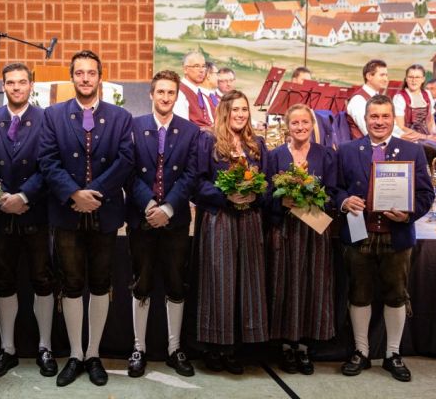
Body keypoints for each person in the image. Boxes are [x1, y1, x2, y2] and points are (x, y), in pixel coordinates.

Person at [38, 50, 134, 387]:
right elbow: (47, 160)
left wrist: (94, 193)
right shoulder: (53, 115)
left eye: (91, 73)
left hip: (104, 212)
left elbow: (125, 161)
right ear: (72, 77)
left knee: (101, 284)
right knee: (72, 283)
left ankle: (94, 354)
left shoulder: (120, 117)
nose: (85, 78)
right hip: (67, 212)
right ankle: (76, 354)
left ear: (100, 77)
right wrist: (73, 194)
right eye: (79, 73)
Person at [335, 95, 434, 382]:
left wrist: (408, 214)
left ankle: (393, 354)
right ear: (365, 119)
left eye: (385, 116)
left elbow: (426, 194)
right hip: (358, 232)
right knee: (359, 293)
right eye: (374, 116)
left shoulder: (413, 150)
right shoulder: (347, 150)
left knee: (396, 295)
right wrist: (344, 201)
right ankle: (361, 352)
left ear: (393, 118)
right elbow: (334, 188)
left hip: (397, 235)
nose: (379, 122)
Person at [0, 63, 57, 379]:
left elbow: (50, 164)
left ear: (31, 85)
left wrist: (23, 196)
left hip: (35, 211)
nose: (16, 87)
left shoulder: (47, 118)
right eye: (11, 82)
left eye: (22, 82)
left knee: (43, 279)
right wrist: (0, 197)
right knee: (4, 280)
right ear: (3, 86)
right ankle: (7, 349)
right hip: (1, 214)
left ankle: (45, 347)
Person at [126, 70, 199, 378]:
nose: (166, 97)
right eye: (161, 92)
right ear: (151, 94)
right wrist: (149, 205)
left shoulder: (190, 131)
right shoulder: (133, 126)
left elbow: (191, 175)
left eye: (171, 92)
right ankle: (138, 348)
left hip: (175, 219)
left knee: (176, 284)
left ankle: (174, 349)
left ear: (177, 96)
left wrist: (167, 208)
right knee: (141, 283)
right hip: (142, 217)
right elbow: (128, 171)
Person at [195, 90, 269, 374]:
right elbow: (198, 183)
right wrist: (225, 195)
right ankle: (216, 347)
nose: (240, 114)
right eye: (235, 109)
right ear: (225, 111)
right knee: (220, 281)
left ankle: (238, 347)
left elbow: (268, 183)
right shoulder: (209, 141)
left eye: (244, 109)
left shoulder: (256, 144)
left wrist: (255, 194)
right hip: (220, 218)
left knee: (247, 282)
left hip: (249, 219)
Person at [266, 104, 336, 375]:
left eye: (305, 122)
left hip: (314, 230)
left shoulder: (325, 154)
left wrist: (316, 199)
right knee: (285, 285)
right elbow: (265, 194)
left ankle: (305, 348)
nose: (300, 127)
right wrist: (280, 201)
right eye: (295, 123)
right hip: (284, 230)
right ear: (287, 126)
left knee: (312, 285)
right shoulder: (275, 156)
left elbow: (333, 192)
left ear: (312, 124)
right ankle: (286, 346)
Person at [393, 64, 436, 164]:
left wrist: (433, 135)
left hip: (426, 135)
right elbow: (401, 127)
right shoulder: (399, 98)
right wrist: (426, 137)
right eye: (411, 77)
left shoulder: (427, 94)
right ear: (406, 79)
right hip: (409, 137)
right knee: (434, 150)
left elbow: (430, 120)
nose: (414, 80)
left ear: (423, 79)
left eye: (417, 77)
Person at [346, 59, 389, 139]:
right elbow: (370, 131)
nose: (386, 79)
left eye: (386, 75)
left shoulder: (378, 97)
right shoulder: (358, 100)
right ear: (369, 76)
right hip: (365, 145)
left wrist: (403, 136)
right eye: (382, 75)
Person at [173, 51, 216, 130]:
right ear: (185, 69)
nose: (202, 70)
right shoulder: (179, 92)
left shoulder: (202, 93)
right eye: (196, 66)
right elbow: (182, 127)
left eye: (203, 66)